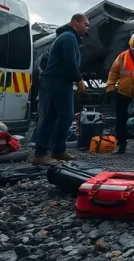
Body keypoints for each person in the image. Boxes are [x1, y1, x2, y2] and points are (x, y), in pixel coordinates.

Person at [32, 14, 89, 166]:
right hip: (58, 82)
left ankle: (55, 150)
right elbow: (69, 62)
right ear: (75, 23)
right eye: (85, 24)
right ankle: (44, 153)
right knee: (64, 116)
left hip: (56, 81)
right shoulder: (69, 37)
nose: (87, 28)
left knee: (52, 116)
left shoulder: (67, 37)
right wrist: (79, 79)